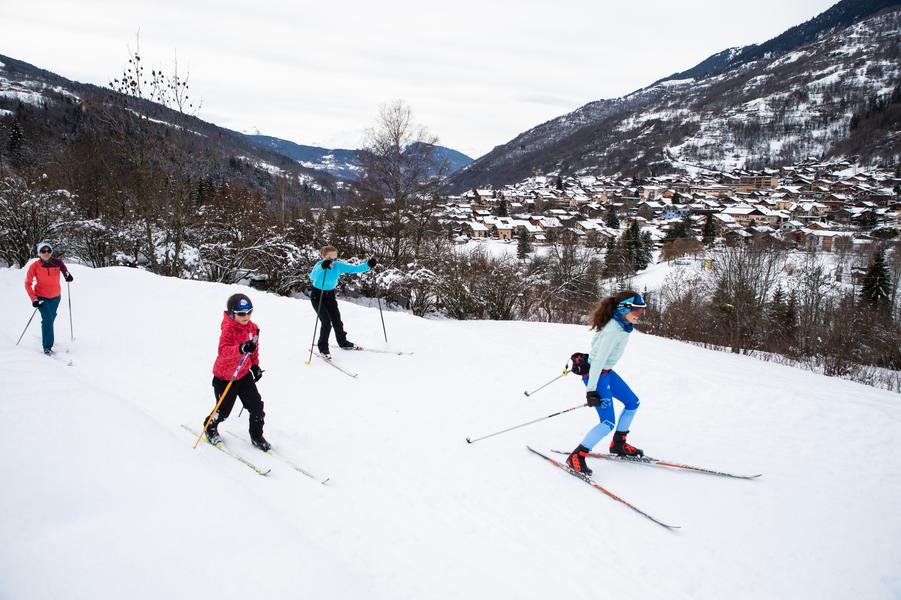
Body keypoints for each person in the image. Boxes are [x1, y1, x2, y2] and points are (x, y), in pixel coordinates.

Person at [566, 291, 647, 476]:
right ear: (624, 308)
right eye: (637, 310)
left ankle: (619, 444)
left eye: (642, 310)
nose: (640, 314)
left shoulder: (621, 325)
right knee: (607, 422)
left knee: (632, 402)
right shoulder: (614, 330)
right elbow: (597, 361)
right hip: (596, 375)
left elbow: (596, 342)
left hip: (606, 372)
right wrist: (591, 390)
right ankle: (577, 456)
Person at [203, 293, 269, 451]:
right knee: (223, 411)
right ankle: (210, 427)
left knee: (257, 407)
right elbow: (223, 350)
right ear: (233, 313)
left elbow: (254, 350)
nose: (246, 316)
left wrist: (255, 366)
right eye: (241, 313)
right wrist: (241, 348)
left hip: (243, 375)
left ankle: (256, 435)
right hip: (225, 377)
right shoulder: (228, 329)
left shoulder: (253, 328)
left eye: (249, 312)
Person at [308, 245, 376, 357]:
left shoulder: (338, 265)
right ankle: (323, 348)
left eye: (335, 258)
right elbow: (312, 276)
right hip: (318, 296)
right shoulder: (319, 265)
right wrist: (322, 267)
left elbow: (353, 269)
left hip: (330, 296)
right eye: (331, 259)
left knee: (337, 321)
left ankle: (343, 343)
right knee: (326, 322)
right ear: (324, 257)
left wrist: (368, 265)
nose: (334, 261)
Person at [23, 242, 74, 355]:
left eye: (48, 251)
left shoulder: (58, 262)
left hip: (56, 297)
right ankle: (47, 347)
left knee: (51, 317)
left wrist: (68, 276)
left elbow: (66, 273)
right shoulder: (35, 266)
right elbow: (27, 283)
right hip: (41, 297)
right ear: (39, 253)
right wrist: (34, 299)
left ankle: (47, 334)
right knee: (47, 319)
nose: (46, 253)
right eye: (43, 251)